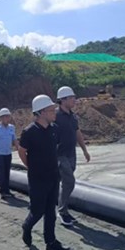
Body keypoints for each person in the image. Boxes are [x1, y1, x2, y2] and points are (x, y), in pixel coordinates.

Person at [18, 95, 71, 250]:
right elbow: (22, 151)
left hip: (53, 176)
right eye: (51, 110)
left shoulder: (54, 129)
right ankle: (27, 226)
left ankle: (51, 241)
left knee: (50, 212)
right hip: (38, 179)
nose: (54, 112)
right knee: (37, 211)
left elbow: (54, 149)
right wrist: (31, 166)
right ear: (41, 113)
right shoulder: (29, 132)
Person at [55, 86, 90, 226]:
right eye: (71, 98)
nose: (75, 100)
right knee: (69, 182)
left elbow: (77, 133)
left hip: (71, 154)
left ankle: (57, 206)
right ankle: (62, 212)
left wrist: (84, 150)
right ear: (63, 100)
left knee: (61, 183)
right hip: (59, 155)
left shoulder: (73, 116)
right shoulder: (55, 116)